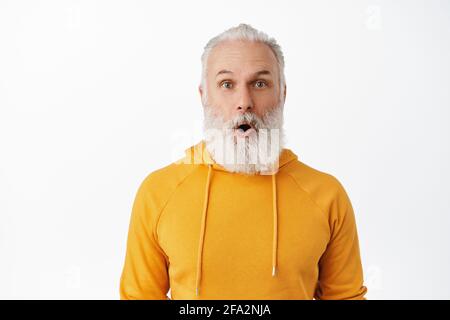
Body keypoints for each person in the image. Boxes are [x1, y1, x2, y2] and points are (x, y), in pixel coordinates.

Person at [119, 23, 368, 300]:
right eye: (227, 84)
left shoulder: (327, 194)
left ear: (283, 93)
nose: (244, 102)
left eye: (260, 83)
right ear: (204, 96)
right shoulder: (158, 191)